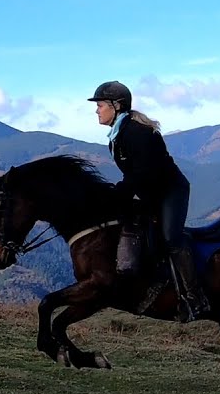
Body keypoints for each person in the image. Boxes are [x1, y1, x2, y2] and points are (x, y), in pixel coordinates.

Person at [88, 80, 211, 322]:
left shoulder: (137, 133)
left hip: (171, 192)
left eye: (100, 105)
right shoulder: (118, 135)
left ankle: (196, 297)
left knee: (171, 237)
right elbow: (135, 177)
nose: (96, 110)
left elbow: (142, 175)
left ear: (116, 106)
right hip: (151, 192)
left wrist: (117, 194)